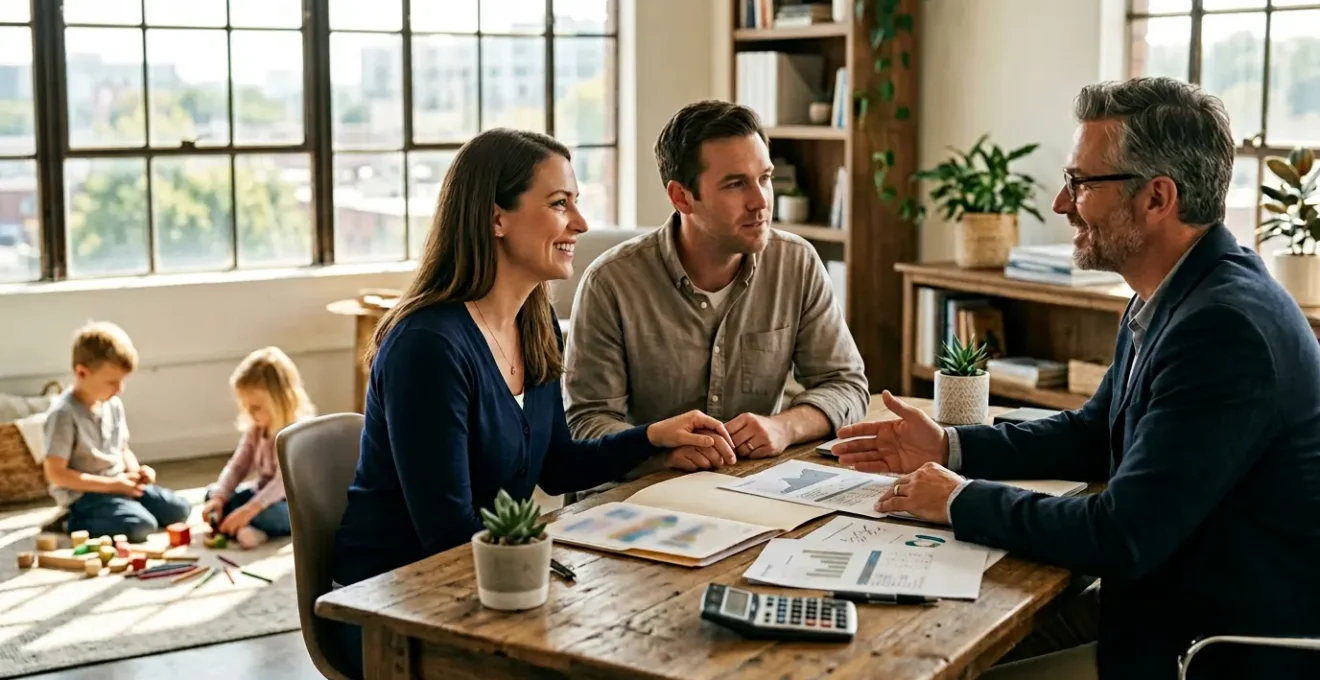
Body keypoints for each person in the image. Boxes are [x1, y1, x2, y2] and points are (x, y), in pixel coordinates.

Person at [833, 77, 1320, 680]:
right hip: (1156, 606)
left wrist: (959, 499)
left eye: (1081, 183)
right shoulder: (1176, 291)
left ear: (1157, 197)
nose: (1061, 204)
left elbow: (1121, 534)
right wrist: (949, 446)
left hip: (1205, 650)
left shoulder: (1223, 329)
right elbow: (1093, 432)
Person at [327, 128, 734, 677]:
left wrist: (654, 440)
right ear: (497, 218)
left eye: (576, 203)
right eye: (559, 203)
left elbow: (556, 464)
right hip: (392, 612)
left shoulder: (533, 326)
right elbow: (447, 536)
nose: (580, 224)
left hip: (485, 585)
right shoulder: (427, 347)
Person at [563, 100, 869, 487]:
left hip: (749, 488)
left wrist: (783, 427)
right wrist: (660, 455)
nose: (761, 201)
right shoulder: (611, 283)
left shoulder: (796, 263)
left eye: (765, 178)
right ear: (681, 197)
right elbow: (585, 423)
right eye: (736, 184)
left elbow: (847, 385)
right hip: (639, 496)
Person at [43, 321, 192, 544]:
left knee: (179, 510)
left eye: (122, 381)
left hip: (119, 484)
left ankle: (124, 506)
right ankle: (70, 521)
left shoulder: (112, 404)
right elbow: (56, 474)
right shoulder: (63, 414)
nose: (120, 389)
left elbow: (122, 450)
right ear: (81, 372)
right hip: (85, 496)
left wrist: (137, 472)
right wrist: (112, 486)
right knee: (141, 526)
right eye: (112, 382)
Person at [200, 346, 315, 549]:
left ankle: (253, 528)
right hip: (261, 495)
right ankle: (244, 525)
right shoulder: (256, 429)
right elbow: (237, 467)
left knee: (270, 515)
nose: (249, 413)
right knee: (213, 494)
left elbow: (281, 483)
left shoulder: (295, 434)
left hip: (292, 505)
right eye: (245, 407)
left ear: (282, 401)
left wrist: (249, 510)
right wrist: (219, 497)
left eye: (256, 407)